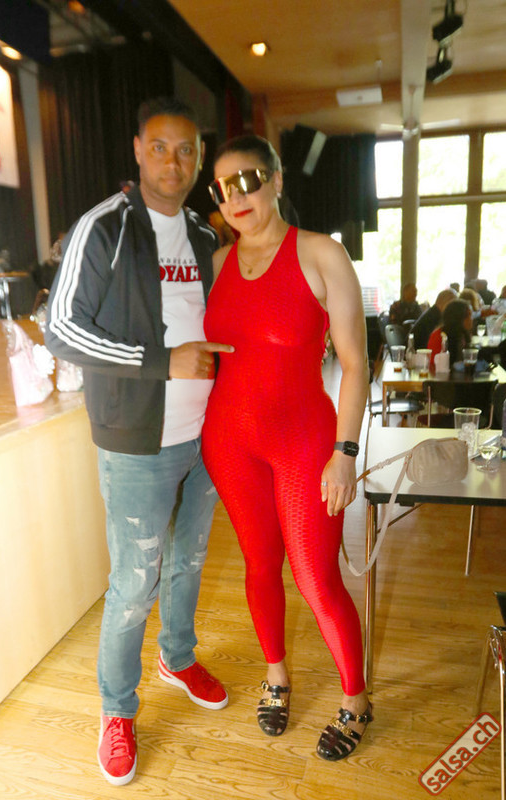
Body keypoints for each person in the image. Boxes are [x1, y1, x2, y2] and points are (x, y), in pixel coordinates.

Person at [45, 97, 234, 787]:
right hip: (135, 442)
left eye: (186, 150)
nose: (173, 162)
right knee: (133, 582)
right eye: (160, 147)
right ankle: (116, 709)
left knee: (189, 562)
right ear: (137, 150)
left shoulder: (205, 235)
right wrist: (163, 361)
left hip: (205, 437)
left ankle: (177, 657)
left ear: (199, 159)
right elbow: (61, 330)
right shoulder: (104, 227)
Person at [201, 134, 372, 761]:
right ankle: (276, 674)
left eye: (249, 179)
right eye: (223, 186)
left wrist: (345, 453)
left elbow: (356, 364)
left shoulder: (322, 252)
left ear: (276, 180)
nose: (237, 196)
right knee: (258, 565)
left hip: (304, 440)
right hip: (229, 441)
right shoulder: (218, 261)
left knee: (315, 577)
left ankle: (356, 698)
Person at [427, 298, 473, 365]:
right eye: (467, 316)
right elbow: (434, 364)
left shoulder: (463, 334)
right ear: (458, 318)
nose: (471, 319)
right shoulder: (440, 336)